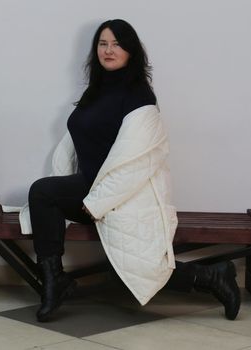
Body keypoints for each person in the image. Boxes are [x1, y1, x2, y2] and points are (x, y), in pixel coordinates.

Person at [19, 19, 241, 322]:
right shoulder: (93, 93)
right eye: (102, 43)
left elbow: (137, 164)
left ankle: (212, 277)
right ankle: (54, 281)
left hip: (124, 196)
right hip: (91, 188)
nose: (109, 50)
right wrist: (72, 186)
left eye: (117, 44)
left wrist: (97, 202)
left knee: (128, 265)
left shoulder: (139, 98)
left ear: (131, 51)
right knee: (44, 193)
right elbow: (75, 143)